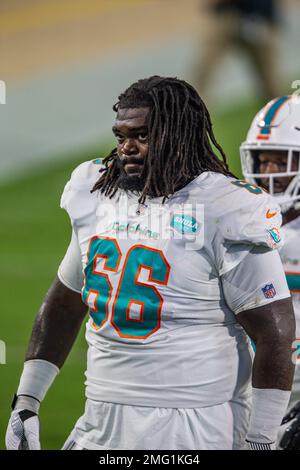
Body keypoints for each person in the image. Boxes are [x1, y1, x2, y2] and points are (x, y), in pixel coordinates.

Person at [6, 76, 295, 451]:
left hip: (197, 424)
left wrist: (261, 439)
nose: (127, 147)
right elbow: (65, 301)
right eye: (121, 135)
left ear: (180, 136)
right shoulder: (97, 192)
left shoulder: (224, 208)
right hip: (101, 415)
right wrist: (27, 401)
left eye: (142, 136)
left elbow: (275, 332)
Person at [240, 94, 300, 449]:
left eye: (283, 161)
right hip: (247, 394)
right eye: (264, 160)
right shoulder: (233, 223)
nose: (270, 172)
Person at [194, 0, 281, 102]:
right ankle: (192, 114)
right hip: (227, 15)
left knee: (270, 83)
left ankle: (282, 115)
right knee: (203, 73)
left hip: (259, 17)